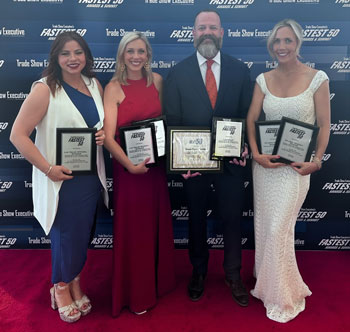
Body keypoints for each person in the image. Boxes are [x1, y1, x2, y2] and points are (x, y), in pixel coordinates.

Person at [10, 31, 108, 323]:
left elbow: (98, 125)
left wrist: (102, 134)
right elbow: (18, 135)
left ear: (86, 56)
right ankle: (61, 287)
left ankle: (75, 280)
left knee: (82, 233)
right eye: (65, 53)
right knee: (65, 236)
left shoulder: (94, 84)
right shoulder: (44, 89)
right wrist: (48, 168)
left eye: (78, 53)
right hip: (61, 178)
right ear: (55, 57)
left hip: (90, 176)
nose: (72, 59)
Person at [163, 10, 251, 306]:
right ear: (193, 33)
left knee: (232, 220)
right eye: (202, 27)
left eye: (213, 27)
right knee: (196, 219)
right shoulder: (177, 72)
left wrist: (245, 146)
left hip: (231, 163)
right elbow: (172, 119)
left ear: (222, 32)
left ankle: (233, 274)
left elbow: (247, 116)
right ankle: (198, 272)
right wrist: (180, 162)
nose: (207, 32)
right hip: (194, 166)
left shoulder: (240, 70)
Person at [246, 19, 330, 323]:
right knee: (266, 229)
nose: (282, 47)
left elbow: (324, 124)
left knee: (277, 229)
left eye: (288, 41)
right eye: (277, 42)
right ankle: (267, 284)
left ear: (298, 44)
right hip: (266, 168)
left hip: (295, 171)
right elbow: (251, 118)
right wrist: (256, 154)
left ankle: (281, 296)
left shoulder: (317, 78)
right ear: (271, 46)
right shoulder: (262, 80)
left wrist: (317, 160)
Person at [103, 31, 176, 317]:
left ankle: (158, 283)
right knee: (135, 233)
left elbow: (167, 124)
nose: (135, 57)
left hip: (155, 171)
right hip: (129, 173)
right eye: (130, 51)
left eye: (141, 51)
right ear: (122, 55)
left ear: (148, 55)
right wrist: (129, 166)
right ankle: (137, 294)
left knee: (154, 226)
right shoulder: (113, 88)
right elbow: (109, 138)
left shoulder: (157, 81)